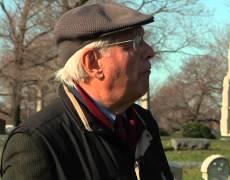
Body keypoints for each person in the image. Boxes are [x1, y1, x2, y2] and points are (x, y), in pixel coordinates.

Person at [0, 2, 173, 180]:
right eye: (135, 42)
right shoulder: (37, 143)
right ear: (93, 63)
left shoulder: (143, 123)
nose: (150, 51)